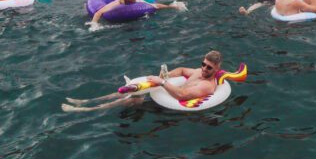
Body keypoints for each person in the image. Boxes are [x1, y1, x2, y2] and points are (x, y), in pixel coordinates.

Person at [61, 51, 224, 112]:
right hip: (165, 93)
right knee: (131, 91)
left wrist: (161, 82)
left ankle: (86, 110)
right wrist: (167, 76)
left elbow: (182, 95)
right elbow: (181, 70)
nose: (203, 69)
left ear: (217, 68)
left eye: (208, 67)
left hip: (169, 108)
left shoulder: (207, 86)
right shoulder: (197, 72)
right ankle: (86, 101)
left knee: (131, 100)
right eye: (203, 64)